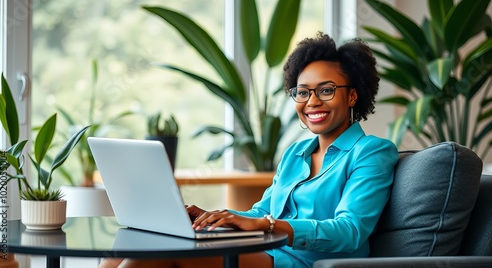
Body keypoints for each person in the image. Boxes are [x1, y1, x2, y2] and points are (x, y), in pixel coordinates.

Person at [98, 32, 399, 268]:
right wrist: (218, 216)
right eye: (303, 92)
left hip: (310, 263)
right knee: (137, 246)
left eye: (326, 90)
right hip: (267, 252)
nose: (312, 101)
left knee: (164, 254)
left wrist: (266, 224)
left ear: (353, 96)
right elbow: (261, 213)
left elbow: (349, 231)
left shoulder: (371, 152)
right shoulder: (296, 153)